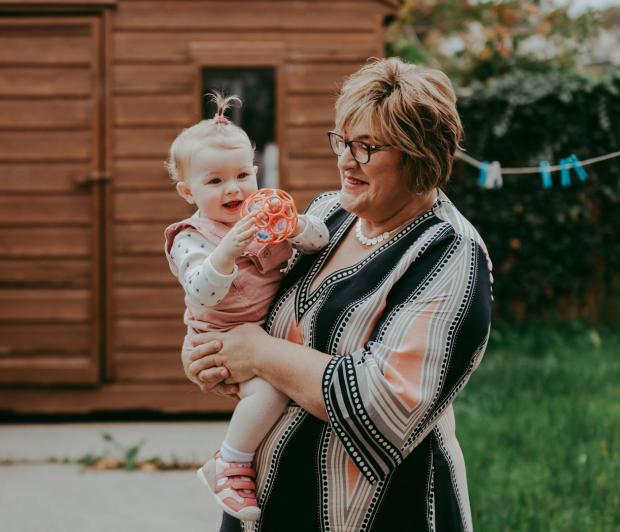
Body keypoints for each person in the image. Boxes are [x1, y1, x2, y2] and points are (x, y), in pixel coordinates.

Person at [185, 58, 493, 532]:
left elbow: (383, 403)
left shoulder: (450, 254)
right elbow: (255, 304)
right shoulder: (328, 214)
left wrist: (261, 353)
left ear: (419, 156)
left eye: (367, 147)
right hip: (265, 505)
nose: (346, 160)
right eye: (342, 140)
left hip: (376, 513)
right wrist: (211, 352)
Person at [164, 92, 330, 521]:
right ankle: (230, 464)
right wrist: (225, 254)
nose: (233, 188)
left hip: (259, 331)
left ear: (256, 172)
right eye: (215, 181)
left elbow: (319, 243)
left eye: (241, 174)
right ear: (188, 191)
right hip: (217, 337)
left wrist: (296, 225)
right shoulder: (191, 237)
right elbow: (201, 292)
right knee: (269, 393)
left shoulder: (264, 220)